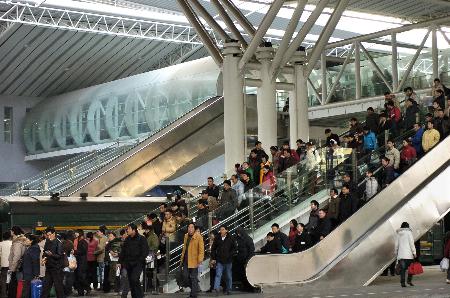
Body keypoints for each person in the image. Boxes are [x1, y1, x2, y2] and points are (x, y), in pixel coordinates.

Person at [118, 223, 149, 298]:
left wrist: (140, 259)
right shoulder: (127, 239)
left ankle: (140, 296)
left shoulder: (142, 239)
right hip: (128, 263)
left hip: (138, 263)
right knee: (132, 281)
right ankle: (135, 296)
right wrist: (119, 261)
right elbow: (123, 251)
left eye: (128, 229)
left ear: (134, 230)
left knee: (134, 279)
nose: (127, 230)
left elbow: (145, 251)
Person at [180, 223, 204, 298]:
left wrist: (200, 260)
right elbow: (184, 248)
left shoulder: (199, 236)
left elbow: (201, 250)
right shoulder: (186, 236)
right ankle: (195, 288)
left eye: (192, 227)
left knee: (193, 277)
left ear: (194, 229)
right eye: (189, 227)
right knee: (185, 277)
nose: (190, 229)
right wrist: (181, 259)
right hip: (186, 260)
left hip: (194, 260)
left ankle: (193, 295)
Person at [211, 225, 236, 295]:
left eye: (223, 229)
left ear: (226, 230)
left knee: (228, 275)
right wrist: (214, 258)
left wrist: (230, 255)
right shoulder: (217, 238)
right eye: (220, 229)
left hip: (228, 261)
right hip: (219, 260)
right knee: (218, 274)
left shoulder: (231, 238)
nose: (221, 231)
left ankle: (229, 289)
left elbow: (234, 248)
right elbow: (213, 248)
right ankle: (216, 288)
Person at [41, 227, 65, 298]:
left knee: (58, 288)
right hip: (49, 267)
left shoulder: (59, 243)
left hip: (57, 268)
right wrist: (44, 258)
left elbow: (59, 256)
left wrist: (51, 255)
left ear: (54, 233)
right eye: (47, 235)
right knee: (46, 287)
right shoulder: (47, 241)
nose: (48, 236)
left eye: (50, 234)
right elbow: (44, 252)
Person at [395, 222, 417, 287]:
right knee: (411, 269)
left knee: (402, 270)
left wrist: (396, 252)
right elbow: (411, 244)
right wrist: (414, 253)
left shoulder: (399, 234)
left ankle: (402, 283)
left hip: (401, 255)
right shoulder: (409, 233)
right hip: (408, 255)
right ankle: (409, 281)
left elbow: (396, 244)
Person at [233, 227, 254, 292]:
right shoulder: (236, 239)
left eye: (239, 233)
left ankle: (249, 287)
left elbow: (251, 249)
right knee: (241, 274)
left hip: (246, 259)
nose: (238, 234)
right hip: (239, 259)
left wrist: (248, 258)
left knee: (246, 274)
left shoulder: (248, 239)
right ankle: (245, 286)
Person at [8, 226, 27, 298]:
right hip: (19, 266)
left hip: (17, 267)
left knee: (16, 284)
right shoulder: (20, 241)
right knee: (17, 284)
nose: (10, 232)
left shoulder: (17, 242)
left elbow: (17, 256)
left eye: (11, 231)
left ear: (13, 231)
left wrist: (12, 268)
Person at [21, 234, 40, 298]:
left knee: (26, 291)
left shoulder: (34, 248)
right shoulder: (31, 247)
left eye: (26, 239)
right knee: (27, 290)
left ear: (31, 241)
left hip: (30, 273)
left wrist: (36, 274)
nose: (25, 241)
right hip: (28, 272)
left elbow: (35, 261)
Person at [74, 230, 89, 296]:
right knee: (78, 277)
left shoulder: (83, 242)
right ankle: (80, 292)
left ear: (80, 234)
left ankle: (87, 288)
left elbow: (83, 251)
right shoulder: (79, 241)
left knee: (81, 277)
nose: (75, 234)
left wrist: (74, 252)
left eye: (76, 233)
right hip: (79, 261)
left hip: (82, 262)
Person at [95, 226, 107, 290]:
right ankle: (102, 286)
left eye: (98, 231)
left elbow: (101, 248)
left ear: (102, 232)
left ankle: (102, 286)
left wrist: (94, 252)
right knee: (100, 272)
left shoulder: (103, 238)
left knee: (101, 273)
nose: (97, 233)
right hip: (100, 258)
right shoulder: (101, 238)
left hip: (102, 258)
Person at [0, 231, 12, 298]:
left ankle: (3, 295)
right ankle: (11, 294)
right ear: (10, 237)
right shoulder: (12, 243)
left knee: (3, 282)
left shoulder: (0, 244)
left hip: (4, 266)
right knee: (11, 281)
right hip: (12, 266)